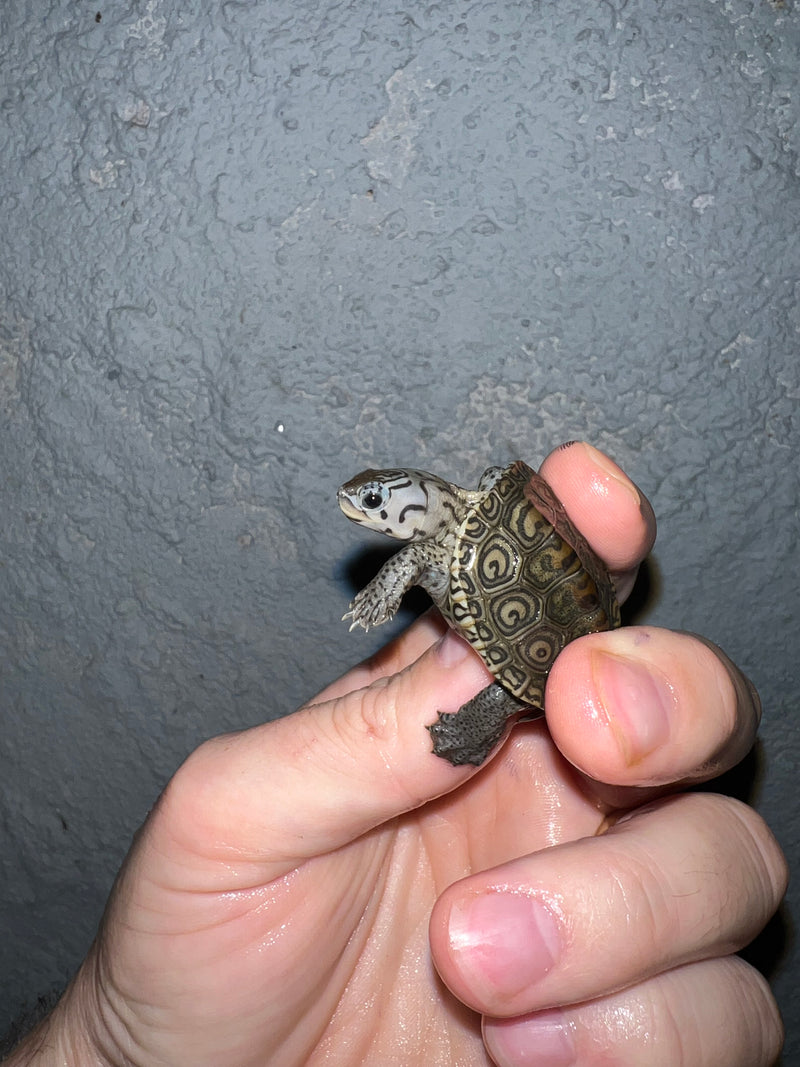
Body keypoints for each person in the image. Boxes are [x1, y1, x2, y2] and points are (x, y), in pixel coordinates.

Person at [5, 443, 786, 1067]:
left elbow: (441, 567)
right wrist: (101, 1053)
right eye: (371, 501)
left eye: (376, 502)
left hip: (533, 660)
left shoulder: (464, 527)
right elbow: (417, 560)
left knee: (500, 702)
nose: (364, 511)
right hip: (516, 631)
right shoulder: (448, 532)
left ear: (417, 497)